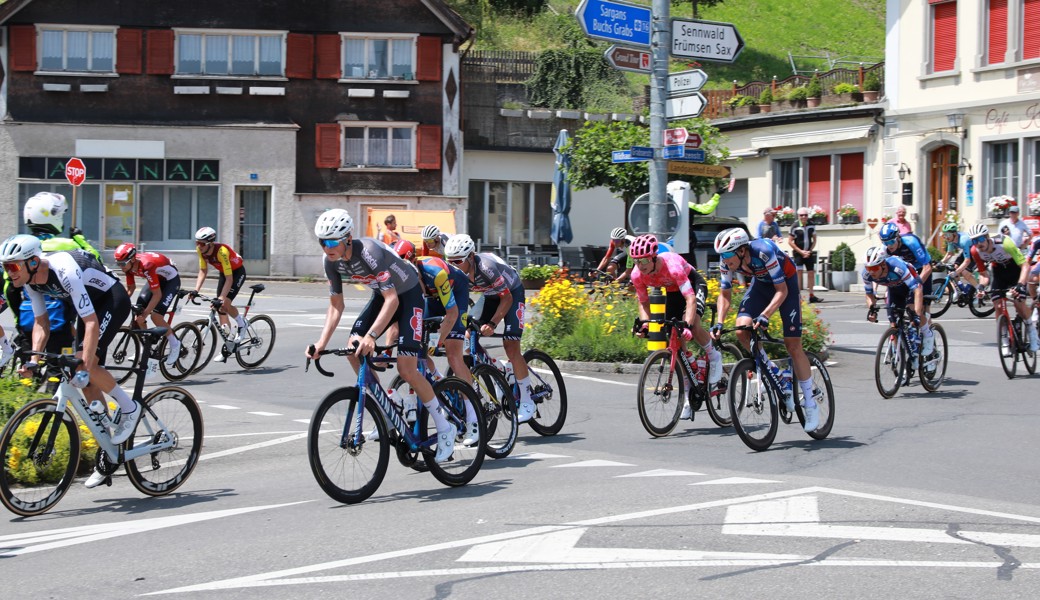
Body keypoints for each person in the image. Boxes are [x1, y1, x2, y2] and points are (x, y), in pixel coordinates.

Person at [306, 210, 464, 461]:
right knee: (352, 349)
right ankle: (387, 410)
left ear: (347, 237)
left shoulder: (369, 252)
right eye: (323, 242)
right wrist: (320, 343)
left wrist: (372, 335)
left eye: (333, 241)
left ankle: (445, 427)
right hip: (383, 296)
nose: (328, 248)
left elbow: (393, 300)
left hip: (409, 295)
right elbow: (336, 305)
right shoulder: (330, 262)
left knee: (407, 369)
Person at [0, 234, 135, 488]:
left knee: (88, 365)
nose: (9, 273)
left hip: (111, 300)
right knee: (84, 382)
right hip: (88, 309)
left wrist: (84, 362)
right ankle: (109, 451)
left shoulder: (64, 271)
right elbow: (41, 323)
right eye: (6, 267)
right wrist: (33, 359)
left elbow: (92, 322)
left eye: (12, 266)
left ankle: (129, 408)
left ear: (32, 262)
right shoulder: (31, 283)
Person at [709, 228, 821, 432]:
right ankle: (774, 372)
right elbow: (724, 295)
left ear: (742, 250)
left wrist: (765, 315)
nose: (724, 260)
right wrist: (719, 322)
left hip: (785, 285)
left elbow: (782, 291)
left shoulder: (763, 251)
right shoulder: (727, 263)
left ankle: (811, 403)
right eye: (721, 256)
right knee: (742, 329)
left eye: (727, 254)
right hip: (761, 285)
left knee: (793, 345)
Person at [443, 233, 538, 424]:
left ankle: (528, 401)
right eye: (450, 262)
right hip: (489, 295)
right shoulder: (456, 272)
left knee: (510, 345)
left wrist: (493, 323)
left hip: (511, 292)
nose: (453, 266)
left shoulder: (486, 268)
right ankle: (497, 367)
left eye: (458, 261)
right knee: (469, 335)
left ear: (471, 257)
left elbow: (507, 299)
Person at [4, 192, 101, 375]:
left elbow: (9, 288)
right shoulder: (66, 244)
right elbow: (95, 261)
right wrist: (79, 238)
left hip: (28, 321)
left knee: (28, 376)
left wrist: (18, 319)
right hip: (60, 319)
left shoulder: (23, 245)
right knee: (57, 375)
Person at [629, 234, 721, 421]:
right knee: (674, 341)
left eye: (645, 259)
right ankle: (688, 394)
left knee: (693, 327)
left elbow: (690, 298)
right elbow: (643, 302)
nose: (641, 265)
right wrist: (645, 325)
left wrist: (687, 324)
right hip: (673, 291)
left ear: (654, 257)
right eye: (636, 261)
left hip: (693, 285)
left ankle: (713, 354)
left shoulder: (672, 266)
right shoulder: (637, 274)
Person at [393, 239, 475, 423]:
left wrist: (437, 341)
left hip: (456, 294)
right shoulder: (402, 279)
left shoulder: (434, 273)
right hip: (433, 298)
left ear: (413, 262)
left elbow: (452, 314)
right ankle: (440, 382)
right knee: (419, 351)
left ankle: (473, 414)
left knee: (453, 356)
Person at [968, 223, 1038, 352]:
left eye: (981, 239)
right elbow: (984, 274)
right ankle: (1005, 339)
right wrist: (981, 286)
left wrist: (1021, 284)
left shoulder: (1005, 243)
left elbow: (1025, 265)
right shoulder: (975, 251)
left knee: (1019, 303)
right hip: (999, 272)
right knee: (998, 305)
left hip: (1016, 269)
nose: (978, 244)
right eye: (974, 241)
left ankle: (1031, 330)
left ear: (987, 236)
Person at [861, 247, 930, 372]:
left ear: (883, 265)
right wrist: (872, 309)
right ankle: (901, 361)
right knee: (894, 323)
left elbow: (917, 290)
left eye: (874, 268)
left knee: (914, 312)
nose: (871, 272)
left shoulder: (896, 267)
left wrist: (917, 315)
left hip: (910, 286)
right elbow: (869, 294)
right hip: (894, 290)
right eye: (868, 268)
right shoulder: (866, 274)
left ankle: (927, 334)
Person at [114, 243, 182, 366]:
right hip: (156, 278)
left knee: (155, 316)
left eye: (122, 264)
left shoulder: (146, 265)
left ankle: (175, 344)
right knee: (138, 313)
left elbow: (157, 295)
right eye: (118, 264)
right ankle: (147, 348)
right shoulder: (128, 266)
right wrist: (116, 304)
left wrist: (145, 315)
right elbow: (130, 288)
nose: (121, 267)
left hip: (170, 280)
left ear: (133, 259)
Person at [878, 221, 935, 355]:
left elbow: (928, 267)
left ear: (898, 237)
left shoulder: (911, 242)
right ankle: (901, 352)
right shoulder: (884, 250)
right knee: (895, 312)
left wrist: (915, 285)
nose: (889, 246)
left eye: (891, 242)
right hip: (904, 274)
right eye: (885, 243)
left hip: (921, 271)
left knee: (916, 309)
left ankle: (928, 337)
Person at [192, 227, 248, 347]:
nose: (199, 246)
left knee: (224, 303)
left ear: (210, 243)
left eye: (201, 243)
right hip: (224, 273)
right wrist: (196, 290)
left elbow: (230, 279)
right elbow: (203, 270)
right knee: (220, 308)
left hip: (237, 273)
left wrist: (222, 298)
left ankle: (242, 324)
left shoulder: (222, 252)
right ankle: (229, 343)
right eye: (197, 243)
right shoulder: (200, 250)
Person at [789, 208, 823, 303]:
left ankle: (811, 295)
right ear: (798, 216)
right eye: (801, 215)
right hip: (798, 254)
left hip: (808, 253)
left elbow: (814, 239)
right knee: (799, 273)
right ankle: (798, 296)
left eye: (805, 215)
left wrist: (810, 250)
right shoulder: (794, 226)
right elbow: (790, 241)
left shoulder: (811, 225)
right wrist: (801, 252)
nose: (804, 217)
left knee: (811, 273)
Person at [939, 222, 981, 297]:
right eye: (944, 235)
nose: (946, 237)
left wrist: (956, 273)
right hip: (968, 251)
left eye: (948, 235)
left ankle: (979, 290)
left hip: (976, 252)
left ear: (954, 234)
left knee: (965, 273)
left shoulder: (964, 240)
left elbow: (967, 261)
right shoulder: (951, 240)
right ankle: (959, 289)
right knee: (954, 267)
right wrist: (940, 262)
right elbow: (950, 253)